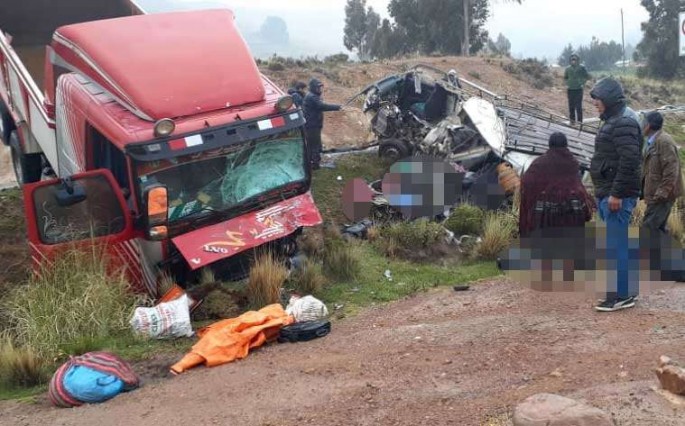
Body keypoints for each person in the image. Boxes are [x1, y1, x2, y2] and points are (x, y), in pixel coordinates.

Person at [589, 77, 642, 312]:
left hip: (616, 196)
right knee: (617, 245)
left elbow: (630, 160)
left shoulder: (623, 123)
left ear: (609, 99)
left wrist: (617, 194)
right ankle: (626, 291)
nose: (595, 104)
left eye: (598, 99)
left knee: (616, 246)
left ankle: (620, 296)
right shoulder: (614, 121)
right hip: (609, 193)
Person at [518, 132, 594, 238]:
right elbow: (577, 185)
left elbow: (526, 182)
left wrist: (538, 195)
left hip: (546, 215)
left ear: (550, 145)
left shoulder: (540, 162)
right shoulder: (572, 161)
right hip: (572, 210)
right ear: (566, 145)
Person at [640, 111, 684, 233]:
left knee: (647, 230)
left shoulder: (664, 141)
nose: (641, 125)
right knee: (658, 229)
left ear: (648, 125)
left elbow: (671, 170)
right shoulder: (653, 141)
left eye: (642, 123)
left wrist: (661, 193)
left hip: (661, 197)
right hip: (656, 195)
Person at [303, 78, 342, 170]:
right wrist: (338, 107)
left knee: (312, 145)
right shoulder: (311, 97)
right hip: (312, 126)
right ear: (313, 88)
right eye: (318, 87)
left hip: (312, 124)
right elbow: (322, 106)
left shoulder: (313, 96)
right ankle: (315, 164)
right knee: (314, 145)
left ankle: (311, 163)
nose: (320, 89)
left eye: (320, 87)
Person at [564, 53, 591, 125]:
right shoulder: (568, 68)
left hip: (579, 89)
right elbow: (565, 77)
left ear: (577, 60)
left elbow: (587, 76)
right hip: (570, 89)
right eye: (572, 60)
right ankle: (572, 121)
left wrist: (582, 83)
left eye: (575, 60)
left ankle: (579, 122)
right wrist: (567, 84)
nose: (573, 61)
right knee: (571, 106)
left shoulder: (581, 67)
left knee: (578, 106)